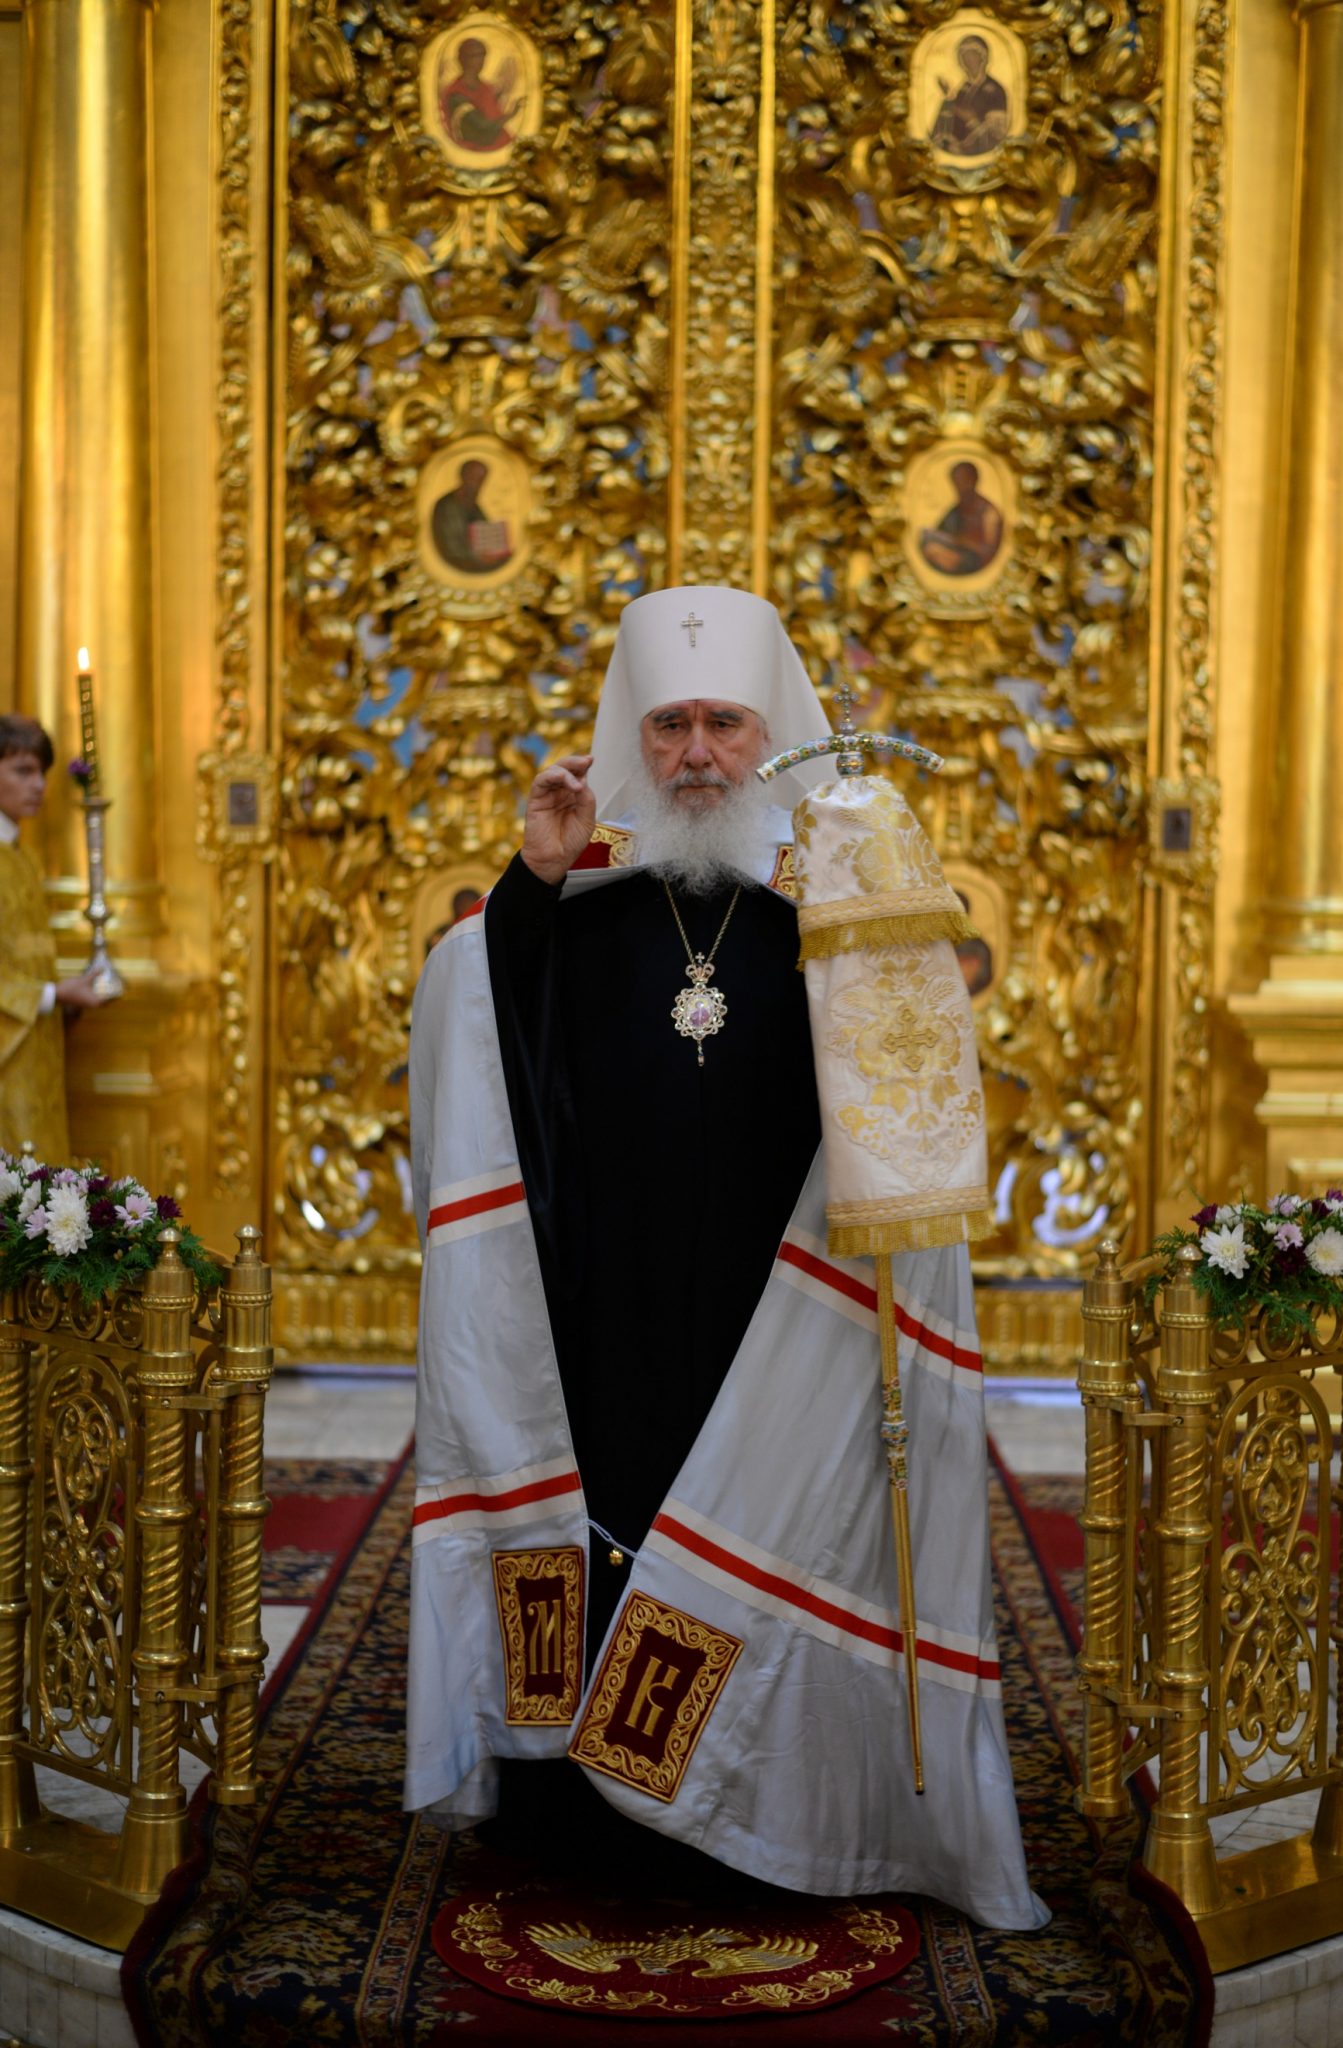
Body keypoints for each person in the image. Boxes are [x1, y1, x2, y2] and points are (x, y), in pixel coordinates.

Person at [406, 587, 1045, 1931]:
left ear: (770, 734)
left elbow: (907, 1073)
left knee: (768, 1510)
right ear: (635, 737)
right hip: (608, 1293)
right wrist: (530, 882)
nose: (696, 751)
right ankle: (586, 1806)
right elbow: (492, 1033)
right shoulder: (576, 899)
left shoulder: (832, 897)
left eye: (723, 722)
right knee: (621, 1503)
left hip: (783, 1297)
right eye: (670, 724)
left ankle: (764, 1797)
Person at [0, 716, 108, 1161]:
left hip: (35, 1046)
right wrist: (54, 993)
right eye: (22, 770)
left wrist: (62, 995)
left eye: (41, 772)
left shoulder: (22, 858)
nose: (39, 785)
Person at [919, 460, 1004, 577]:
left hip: (974, 561)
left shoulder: (989, 513)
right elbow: (942, 532)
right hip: (955, 552)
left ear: (974, 481)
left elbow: (990, 552)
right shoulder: (955, 510)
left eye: (964, 481)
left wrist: (966, 542)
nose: (961, 487)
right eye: (957, 482)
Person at [930, 35, 1009, 156]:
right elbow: (955, 114)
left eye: (973, 55)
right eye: (964, 56)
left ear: (982, 57)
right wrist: (949, 96)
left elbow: (998, 135)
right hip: (956, 147)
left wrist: (973, 121)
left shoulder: (994, 90)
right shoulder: (965, 88)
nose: (968, 60)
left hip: (977, 151)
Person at [438, 37, 520, 153]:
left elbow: (492, 113)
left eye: (482, 55)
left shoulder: (486, 88)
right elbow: (479, 131)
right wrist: (510, 115)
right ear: (462, 59)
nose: (480, 61)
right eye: (474, 56)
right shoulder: (455, 93)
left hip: (502, 146)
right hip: (476, 150)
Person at [430, 460, 512, 576]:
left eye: (481, 479)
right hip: (456, 565)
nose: (477, 484)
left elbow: (484, 533)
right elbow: (449, 545)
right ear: (463, 476)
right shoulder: (446, 506)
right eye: (473, 478)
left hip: (478, 562)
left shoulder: (474, 507)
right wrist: (477, 556)